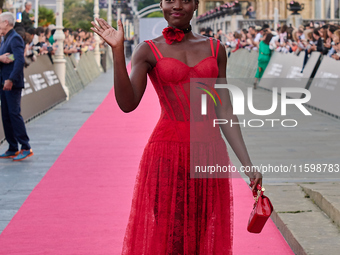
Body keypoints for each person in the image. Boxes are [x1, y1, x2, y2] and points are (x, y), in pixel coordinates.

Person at [91, 0, 262, 253]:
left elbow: (224, 109)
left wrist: (248, 166)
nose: (177, 5)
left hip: (209, 154)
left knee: (200, 236)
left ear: (195, 5)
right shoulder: (147, 50)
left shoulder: (216, 48)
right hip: (167, 156)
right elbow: (127, 104)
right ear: (161, 4)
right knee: (173, 238)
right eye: (170, 0)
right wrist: (118, 52)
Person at [0, 12, 33, 161]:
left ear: (6, 22)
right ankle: (12, 147)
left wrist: (11, 79)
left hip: (11, 83)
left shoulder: (15, 38)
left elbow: (19, 61)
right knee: (6, 115)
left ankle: (25, 146)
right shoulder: (5, 39)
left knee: (14, 114)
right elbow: (10, 57)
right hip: (3, 82)